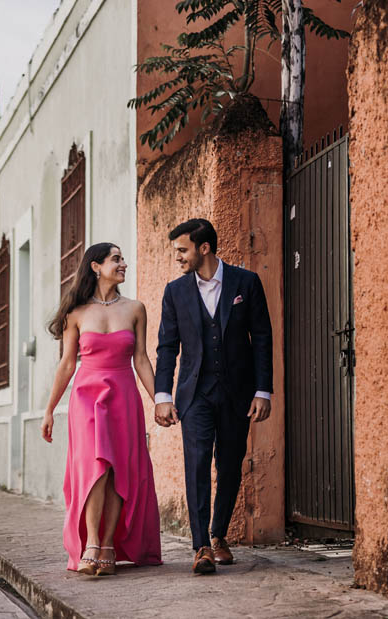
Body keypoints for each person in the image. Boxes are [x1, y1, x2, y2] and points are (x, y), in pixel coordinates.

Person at [154, 218, 274, 575]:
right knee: (197, 464)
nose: (177, 257)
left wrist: (262, 390)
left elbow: (262, 339)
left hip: (238, 392)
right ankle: (201, 546)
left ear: (203, 248)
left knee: (230, 464)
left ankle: (219, 535)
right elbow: (166, 347)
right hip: (195, 394)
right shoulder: (174, 292)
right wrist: (163, 394)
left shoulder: (245, 282)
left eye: (182, 250)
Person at [42, 242, 162, 576]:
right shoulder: (76, 313)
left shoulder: (136, 308)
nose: (124, 264)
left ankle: (109, 543)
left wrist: (160, 401)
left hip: (123, 395)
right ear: (96, 266)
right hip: (85, 397)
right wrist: (50, 409)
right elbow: (67, 364)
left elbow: (141, 359)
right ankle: (91, 542)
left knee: (120, 471)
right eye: (116, 259)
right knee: (96, 469)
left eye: (123, 259)